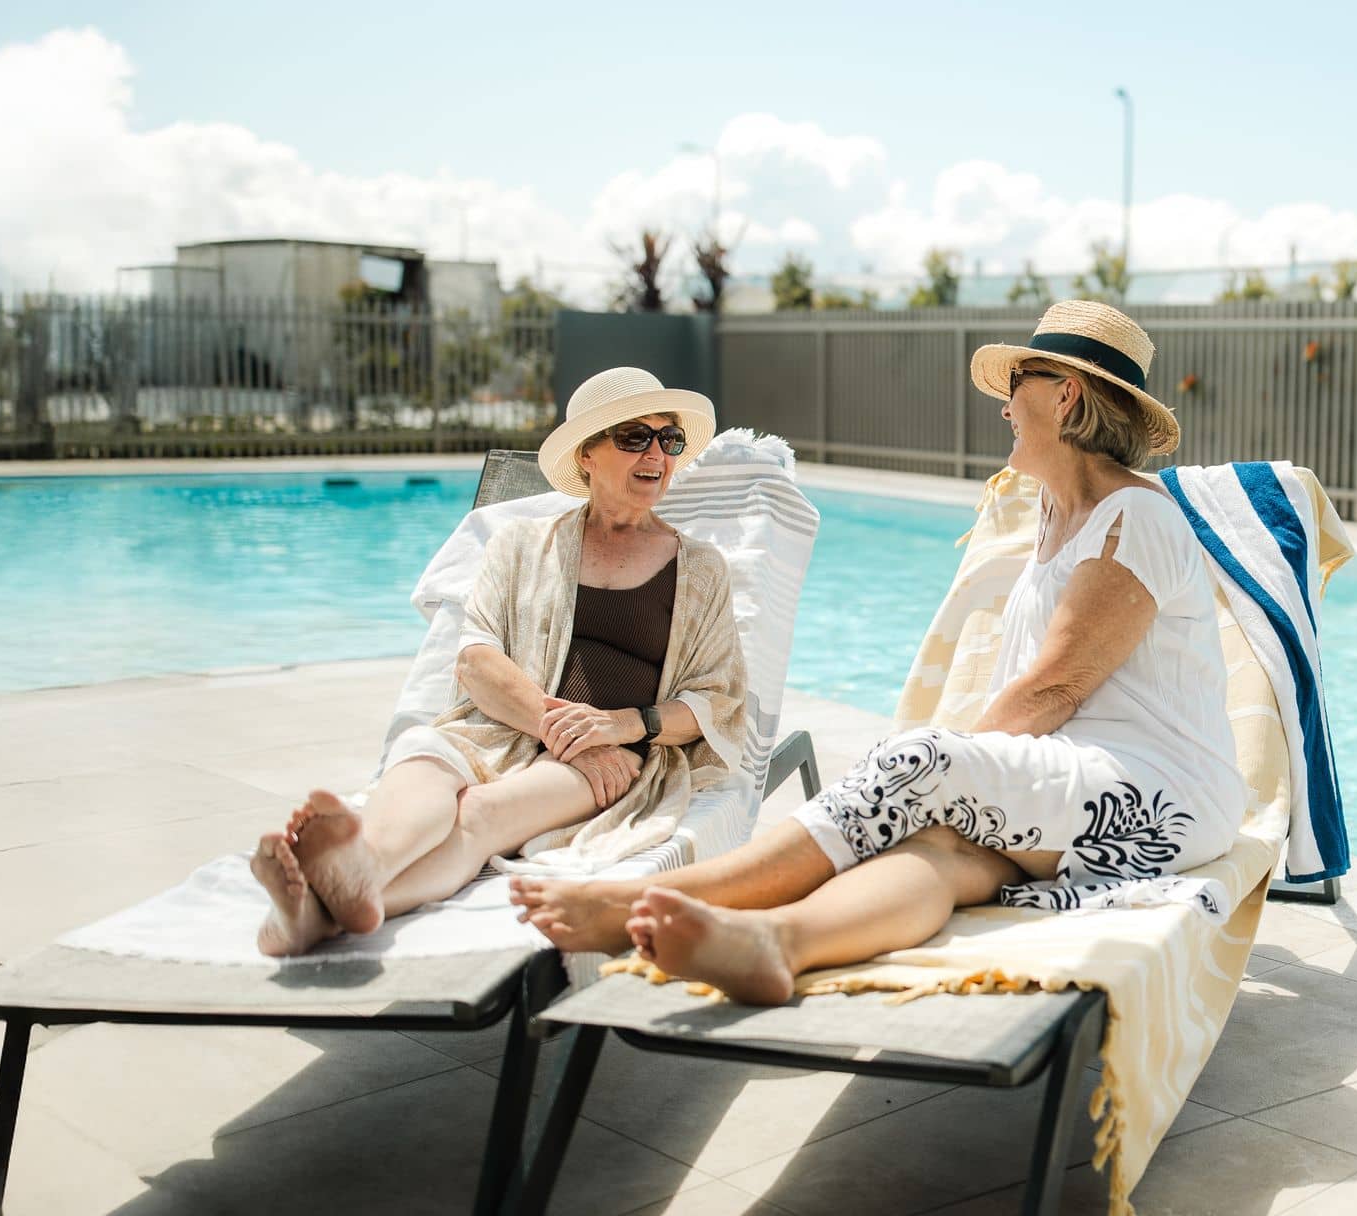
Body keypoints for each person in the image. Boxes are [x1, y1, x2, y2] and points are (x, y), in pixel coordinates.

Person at [512, 302, 1243, 1003]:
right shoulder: (1059, 516)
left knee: (919, 764)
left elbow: (1053, 690)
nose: (1005, 406)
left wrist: (939, 774)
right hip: (1075, 783)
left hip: (1159, 791)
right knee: (942, 852)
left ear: (1067, 396)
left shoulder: (1136, 518)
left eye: (1017, 386)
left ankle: (634, 899)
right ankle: (778, 940)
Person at [250, 367, 755, 956]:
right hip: (501, 728)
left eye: (669, 441)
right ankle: (352, 875)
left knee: (481, 812)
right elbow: (475, 659)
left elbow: (717, 702)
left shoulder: (699, 569)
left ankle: (319, 912)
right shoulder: (519, 544)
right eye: (634, 437)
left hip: (613, 760)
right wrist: (558, 727)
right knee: (422, 758)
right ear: (587, 455)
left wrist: (621, 726)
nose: (657, 455)